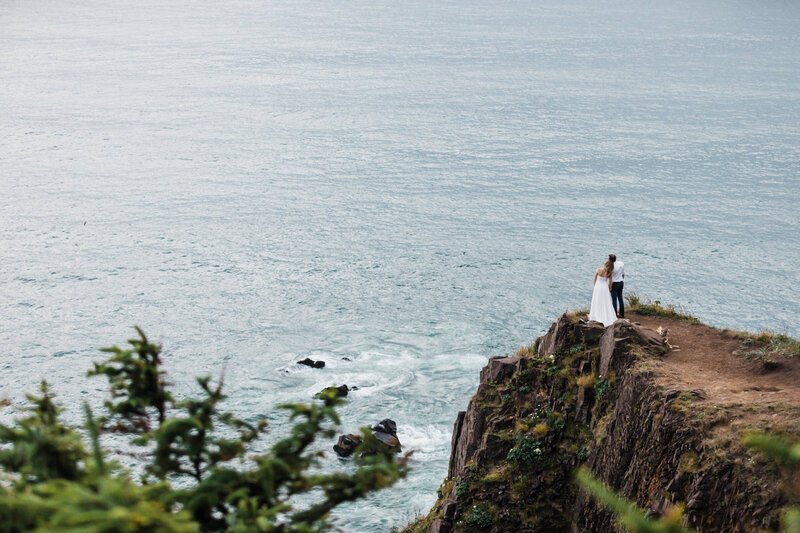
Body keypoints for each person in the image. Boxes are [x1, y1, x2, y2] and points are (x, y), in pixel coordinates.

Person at [588, 259, 617, 327]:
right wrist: (609, 289)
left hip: (598, 287)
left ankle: (595, 315)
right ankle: (605, 315)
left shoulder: (598, 270)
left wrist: (595, 286)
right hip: (604, 288)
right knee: (605, 302)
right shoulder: (609, 274)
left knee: (597, 300)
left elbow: (595, 279)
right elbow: (610, 285)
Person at [609, 254, 625, 318]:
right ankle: (622, 313)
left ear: (610, 260)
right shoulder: (621, 263)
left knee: (614, 299)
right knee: (620, 298)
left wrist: (609, 285)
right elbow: (623, 273)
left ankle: (614, 314)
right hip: (621, 282)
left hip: (614, 283)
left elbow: (610, 277)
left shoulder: (611, 267)